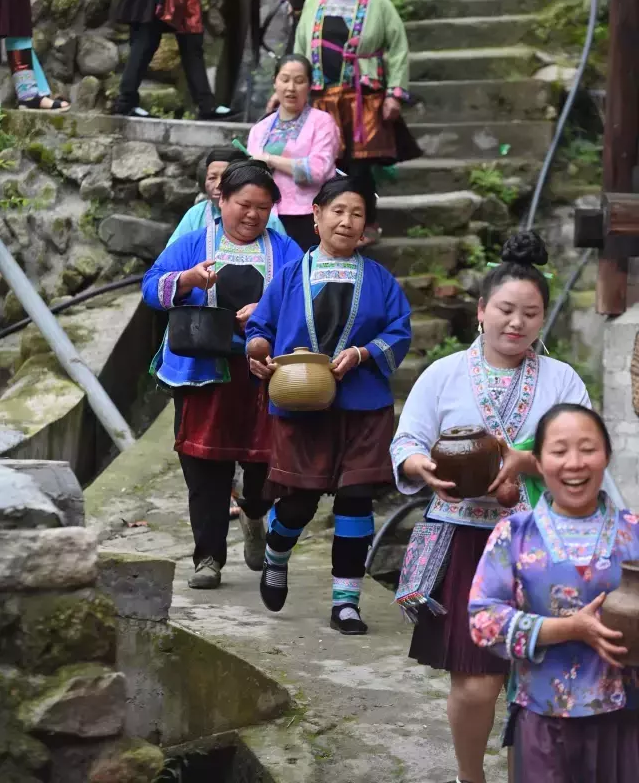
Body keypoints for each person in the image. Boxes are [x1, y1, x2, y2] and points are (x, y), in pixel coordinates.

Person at [391, 231, 596, 783]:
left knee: (534, 685)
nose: (517, 322)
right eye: (506, 309)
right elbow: (406, 441)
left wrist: (527, 463)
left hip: (540, 544)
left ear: (542, 319)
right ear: (481, 310)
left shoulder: (562, 380)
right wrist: (420, 468)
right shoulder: (444, 374)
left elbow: (583, 455)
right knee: (478, 681)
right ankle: (469, 777)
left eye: (531, 313)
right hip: (466, 541)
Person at [245, 176, 411, 634]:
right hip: (301, 401)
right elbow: (259, 326)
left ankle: (346, 602)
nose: (347, 221)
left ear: (366, 229)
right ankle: (277, 552)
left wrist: (362, 354)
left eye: (357, 214)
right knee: (298, 502)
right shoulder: (289, 276)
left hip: (363, 405)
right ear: (315, 216)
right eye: (338, 211)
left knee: (356, 501)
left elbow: (399, 332)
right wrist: (258, 350)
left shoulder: (380, 280)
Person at [142, 161, 302, 589]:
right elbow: (150, 287)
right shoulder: (196, 242)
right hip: (202, 369)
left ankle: (253, 513)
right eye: (244, 205)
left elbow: (306, 297)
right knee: (203, 466)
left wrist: (268, 310)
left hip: (262, 373)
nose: (252, 215)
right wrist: (186, 279)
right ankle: (208, 558)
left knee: (265, 465)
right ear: (222, 201)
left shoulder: (284, 251)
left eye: (263, 208)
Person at [469, 404, 639, 783]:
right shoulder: (514, 535)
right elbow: (482, 621)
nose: (574, 463)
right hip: (542, 720)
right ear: (540, 463)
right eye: (559, 451)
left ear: (607, 457)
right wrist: (569, 629)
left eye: (588, 449)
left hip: (627, 719)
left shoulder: (635, 533)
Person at [294, 0, 419, 245]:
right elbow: (299, 47)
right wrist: (292, 86)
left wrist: (394, 94)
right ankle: (328, 224)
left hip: (364, 99)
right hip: (323, 99)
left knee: (361, 167)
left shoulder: (380, 5)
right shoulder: (314, 2)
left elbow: (399, 49)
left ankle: (367, 224)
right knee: (329, 165)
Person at [247, 54, 340, 251]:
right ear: (275, 82)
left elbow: (318, 170)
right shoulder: (260, 128)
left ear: (310, 85)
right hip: (266, 216)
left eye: (299, 81)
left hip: (309, 216)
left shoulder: (322, 123)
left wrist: (269, 160)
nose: (291, 88)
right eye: (285, 79)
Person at [168, 145, 286, 245]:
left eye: (225, 177)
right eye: (212, 178)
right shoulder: (194, 215)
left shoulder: (268, 221)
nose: (219, 184)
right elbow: (170, 260)